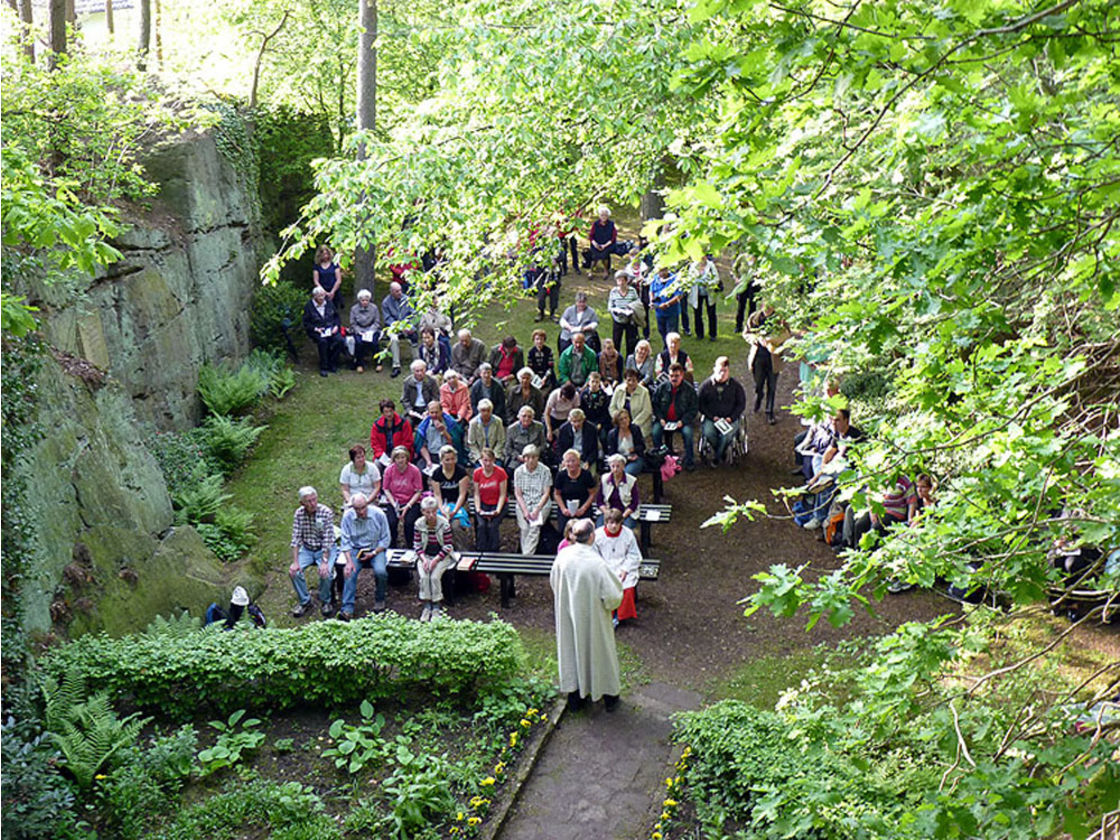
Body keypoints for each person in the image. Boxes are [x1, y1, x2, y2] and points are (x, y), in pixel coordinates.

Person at [551, 518, 623, 711]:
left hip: (568, 613)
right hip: (594, 618)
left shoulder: (563, 557)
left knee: (571, 651)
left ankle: (575, 698)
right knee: (600, 653)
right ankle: (609, 696)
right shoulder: (597, 564)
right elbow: (613, 597)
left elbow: (554, 582)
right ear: (592, 536)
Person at [339, 492, 392, 619]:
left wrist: (374, 553)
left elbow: (386, 539)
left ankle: (380, 599)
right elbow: (345, 541)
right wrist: (348, 561)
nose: (361, 512)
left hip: (375, 548)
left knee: (380, 571)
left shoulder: (378, 514)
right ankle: (347, 609)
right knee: (349, 572)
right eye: (357, 509)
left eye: (363, 507)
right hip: (356, 549)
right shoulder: (347, 517)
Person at [288, 486, 336, 618]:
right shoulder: (299, 514)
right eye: (308, 501)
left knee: (325, 573)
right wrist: (295, 562)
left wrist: (325, 561)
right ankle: (305, 601)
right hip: (308, 549)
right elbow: (296, 538)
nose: (312, 503)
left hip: (325, 549)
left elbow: (328, 539)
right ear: (302, 503)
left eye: (314, 500)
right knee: (294, 572)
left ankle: (326, 600)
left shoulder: (325, 512)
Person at [746, 303, 791, 425]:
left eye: (770, 306)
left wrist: (772, 339)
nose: (767, 308)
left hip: (774, 358)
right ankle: (759, 396)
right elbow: (746, 333)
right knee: (758, 384)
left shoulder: (780, 319)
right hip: (758, 357)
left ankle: (769, 411)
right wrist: (756, 339)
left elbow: (787, 335)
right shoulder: (754, 318)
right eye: (765, 306)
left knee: (772, 385)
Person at [595, 509, 643, 624]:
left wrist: (625, 569)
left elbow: (634, 554)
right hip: (604, 567)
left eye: (617, 523)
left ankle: (621, 616)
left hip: (623, 566)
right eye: (611, 523)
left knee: (627, 585)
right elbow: (594, 555)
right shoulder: (597, 535)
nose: (614, 526)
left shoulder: (628, 534)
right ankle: (607, 613)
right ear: (606, 522)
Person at [697, 356, 747, 466]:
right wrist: (711, 416)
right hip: (712, 418)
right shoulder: (706, 386)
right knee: (708, 433)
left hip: (729, 419)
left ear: (728, 371)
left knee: (727, 435)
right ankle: (720, 451)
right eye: (720, 371)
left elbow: (741, 404)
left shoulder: (736, 386)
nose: (722, 374)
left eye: (725, 371)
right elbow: (700, 404)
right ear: (714, 369)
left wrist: (731, 417)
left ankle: (718, 456)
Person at [413, 495, 456, 622]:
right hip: (424, 555)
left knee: (434, 577)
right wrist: (424, 559)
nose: (430, 515)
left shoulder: (444, 524)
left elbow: (448, 546)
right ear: (423, 512)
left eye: (433, 511)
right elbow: (416, 544)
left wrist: (436, 560)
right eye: (427, 512)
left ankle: (436, 606)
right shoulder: (418, 524)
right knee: (424, 576)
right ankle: (427, 606)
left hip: (442, 556)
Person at [652, 363, 699, 470]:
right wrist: (660, 418)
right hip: (664, 420)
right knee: (655, 432)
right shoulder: (661, 388)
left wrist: (683, 421)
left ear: (682, 375)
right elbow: (655, 405)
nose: (674, 378)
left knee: (688, 433)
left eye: (676, 376)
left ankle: (689, 461)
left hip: (682, 421)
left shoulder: (689, 390)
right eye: (671, 376)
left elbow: (693, 409)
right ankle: (660, 458)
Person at [428, 444, 473, 550]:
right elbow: (437, 495)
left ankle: (463, 550)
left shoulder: (461, 472)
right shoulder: (437, 474)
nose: (450, 462)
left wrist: (455, 510)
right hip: (443, 503)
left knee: (456, 526)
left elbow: (462, 494)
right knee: (439, 524)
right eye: (447, 460)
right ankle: (440, 549)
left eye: (452, 459)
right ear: (442, 460)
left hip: (459, 503)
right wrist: (442, 509)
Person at [381, 445, 424, 548]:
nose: (400, 460)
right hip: (394, 500)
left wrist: (408, 505)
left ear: (407, 458)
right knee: (391, 522)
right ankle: (392, 545)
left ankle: (411, 545)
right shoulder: (389, 470)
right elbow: (386, 489)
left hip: (411, 501)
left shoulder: (414, 470)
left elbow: (418, 490)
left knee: (409, 523)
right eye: (397, 458)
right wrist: (393, 503)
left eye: (402, 457)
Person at [513, 445, 552, 555]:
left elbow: (546, 493)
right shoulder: (518, 472)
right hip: (524, 502)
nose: (531, 460)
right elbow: (518, 494)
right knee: (524, 528)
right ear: (524, 458)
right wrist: (525, 511)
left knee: (534, 528)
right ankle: (527, 556)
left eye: (534, 457)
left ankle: (526, 558)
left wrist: (537, 509)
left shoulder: (545, 471)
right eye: (528, 457)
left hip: (541, 503)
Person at [554, 448, 597, 536]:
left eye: (573, 461)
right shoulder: (561, 475)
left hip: (583, 507)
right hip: (566, 508)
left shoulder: (586, 475)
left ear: (578, 461)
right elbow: (556, 494)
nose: (571, 464)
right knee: (564, 530)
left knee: (585, 530)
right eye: (568, 461)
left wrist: (583, 508)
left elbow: (592, 493)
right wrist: (563, 509)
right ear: (564, 463)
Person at [302, 287, 344, 377]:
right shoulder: (309, 306)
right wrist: (315, 329)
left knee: (340, 340)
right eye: (319, 296)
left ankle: (332, 363)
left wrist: (336, 326)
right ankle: (323, 366)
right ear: (314, 296)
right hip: (317, 330)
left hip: (330, 328)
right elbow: (306, 323)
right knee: (323, 342)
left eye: (323, 295)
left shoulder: (329, 303)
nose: (321, 298)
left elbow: (336, 317)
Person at [473, 447, 508, 553]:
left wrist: (497, 509)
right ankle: (481, 549)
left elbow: (503, 494)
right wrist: (478, 508)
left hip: (498, 503)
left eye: (490, 460)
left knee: (493, 526)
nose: (487, 463)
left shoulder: (501, 473)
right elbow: (476, 494)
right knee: (482, 525)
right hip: (483, 503)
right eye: (485, 460)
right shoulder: (477, 473)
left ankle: (494, 550)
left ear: (494, 460)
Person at [381, 281, 418, 377]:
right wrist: (398, 327)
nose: (400, 293)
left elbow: (414, 315)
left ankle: (417, 362)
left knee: (413, 337)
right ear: (391, 292)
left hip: (407, 326)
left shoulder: (407, 300)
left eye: (400, 290)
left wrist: (409, 326)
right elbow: (387, 318)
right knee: (394, 339)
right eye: (397, 291)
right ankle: (396, 366)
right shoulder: (386, 302)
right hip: (393, 328)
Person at [414, 400, 464, 469]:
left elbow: (454, 442)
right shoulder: (424, 426)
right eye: (432, 413)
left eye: (436, 412)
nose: (434, 415)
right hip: (431, 455)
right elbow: (422, 446)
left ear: (441, 411)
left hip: (446, 454)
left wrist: (444, 431)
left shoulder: (450, 423)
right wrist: (428, 461)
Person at [596, 453, 640, 528]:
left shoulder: (631, 481)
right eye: (613, 466)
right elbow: (599, 501)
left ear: (623, 467)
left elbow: (634, 503)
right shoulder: (604, 479)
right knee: (600, 528)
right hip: (608, 511)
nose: (615, 469)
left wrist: (623, 516)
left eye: (618, 466)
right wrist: (607, 513)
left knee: (626, 530)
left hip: (626, 512)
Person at [609, 367, 654, 440]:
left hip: (639, 424)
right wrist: (619, 420)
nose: (631, 383)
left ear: (637, 381)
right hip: (620, 423)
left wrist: (632, 425)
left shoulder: (644, 392)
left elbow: (647, 410)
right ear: (624, 380)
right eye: (629, 380)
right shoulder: (618, 389)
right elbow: (612, 407)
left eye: (634, 380)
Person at [685, 254, 720, 341]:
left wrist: (709, 283)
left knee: (711, 313)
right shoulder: (693, 266)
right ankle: (699, 334)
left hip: (709, 292)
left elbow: (717, 279)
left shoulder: (711, 265)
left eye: (704, 256)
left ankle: (713, 334)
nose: (702, 258)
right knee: (697, 313)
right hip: (697, 293)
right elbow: (689, 279)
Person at [367, 398, 410, 468]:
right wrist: (382, 456)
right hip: (384, 455)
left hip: (400, 454)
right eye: (386, 412)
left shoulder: (403, 423)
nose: (389, 414)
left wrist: (398, 456)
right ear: (382, 413)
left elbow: (408, 442)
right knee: (377, 465)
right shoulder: (377, 425)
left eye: (391, 411)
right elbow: (375, 444)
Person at [608, 270, 641, 359]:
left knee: (631, 342)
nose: (621, 283)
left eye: (623, 280)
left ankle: (629, 361)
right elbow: (610, 307)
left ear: (626, 281)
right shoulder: (613, 292)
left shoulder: (632, 291)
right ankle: (616, 360)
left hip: (630, 320)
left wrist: (631, 309)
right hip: (618, 320)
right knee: (616, 341)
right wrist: (616, 310)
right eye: (619, 280)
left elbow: (638, 303)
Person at [349, 289, 383, 373]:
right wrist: (359, 331)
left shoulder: (374, 308)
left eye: (366, 300)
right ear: (359, 300)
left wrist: (371, 331)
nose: (365, 302)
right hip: (359, 330)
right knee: (359, 342)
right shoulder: (354, 309)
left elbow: (377, 321)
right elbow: (353, 323)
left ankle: (378, 363)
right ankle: (359, 364)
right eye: (363, 300)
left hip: (372, 329)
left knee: (374, 342)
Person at [605, 408, 646, 477]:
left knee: (626, 473)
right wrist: (625, 458)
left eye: (626, 418)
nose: (624, 421)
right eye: (621, 419)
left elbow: (642, 446)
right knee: (616, 471)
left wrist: (634, 449)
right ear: (617, 422)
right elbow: (611, 452)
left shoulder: (635, 429)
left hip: (635, 459)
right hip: (619, 460)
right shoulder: (612, 434)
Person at [467, 398, 507, 467]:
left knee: (497, 470)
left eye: (488, 410)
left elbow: (501, 441)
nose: (486, 413)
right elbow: (472, 443)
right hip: (479, 455)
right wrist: (480, 458)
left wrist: (494, 456)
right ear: (479, 411)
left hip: (495, 454)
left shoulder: (498, 422)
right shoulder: (473, 423)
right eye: (483, 410)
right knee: (480, 471)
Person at [650, 265, 683, 346]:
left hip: (671, 312)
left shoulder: (674, 279)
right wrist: (651, 300)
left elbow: (679, 296)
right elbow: (651, 291)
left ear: (667, 270)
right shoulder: (655, 279)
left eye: (663, 271)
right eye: (659, 271)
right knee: (661, 330)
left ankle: (671, 350)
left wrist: (668, 304)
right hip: (659, 311)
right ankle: (666, 346)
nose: (661, 273)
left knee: (671, 332)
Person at [622, 249, 651, 339]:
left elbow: (649, 281)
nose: (635, 258)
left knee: (645, 314)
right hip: (633, 296)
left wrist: (643, 280)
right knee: (633, 315)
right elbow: (625, 283)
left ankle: (646, 334)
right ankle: (635, 334)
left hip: (644, 296)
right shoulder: (627, 269)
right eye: (633, 256)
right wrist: (632, 281)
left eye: (637, 256)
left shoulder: (645, 268)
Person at [339, 444, 381, 509]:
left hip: (369, 499)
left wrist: (367, 501)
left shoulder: (372, 468)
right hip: (352, 499)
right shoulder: (346, 469)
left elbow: (377, 487)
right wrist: (350, 502)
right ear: (353, 459)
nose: (361, 459)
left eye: (363, 456)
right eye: (358, 457)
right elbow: (345, 490)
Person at [400, 360, 440, 426]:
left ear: (425, 370)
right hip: (413, 408)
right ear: (413, 372)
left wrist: (429, 410)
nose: (420, 373)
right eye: (417, 371)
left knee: (431, 424)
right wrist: (410, 411)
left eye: (422, 370)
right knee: (407, 424)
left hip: (428, 408)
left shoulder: (431, 381)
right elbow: (405, 399)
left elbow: (435, 397)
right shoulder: (407, 382)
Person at [579, 371, 613, 447]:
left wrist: (600, 423)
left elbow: (605, 412)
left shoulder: (604, 396)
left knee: (603, 437)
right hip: (587, 421)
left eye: (597, 382)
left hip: (600, 422)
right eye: (592, 381)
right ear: (588, 382)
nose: (594, 384)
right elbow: (581, 409)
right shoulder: (583, 395)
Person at [585, 206, 618, 280]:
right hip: (596, 243)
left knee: (604, 255)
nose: (604, 217)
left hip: (607, 244)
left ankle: (606, 270)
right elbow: (591, 236)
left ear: (608, 216)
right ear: (599, 216)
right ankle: (591, 271)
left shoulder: (611, 224)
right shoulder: (595, 224)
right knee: (594, 255)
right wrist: (595, 244)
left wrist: (605, 245)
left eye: (605, 215)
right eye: (602, 215)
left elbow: (613, 238)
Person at [731, 251, 759, 334]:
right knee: (741, 305)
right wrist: (736, 278)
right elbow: (734, 268)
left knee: (752, 306)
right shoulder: (742, 257)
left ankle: (751, 326)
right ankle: (738, 326)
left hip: (753, 284)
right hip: (743, 283)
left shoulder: (759, 258)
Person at [313, 244, 343, 312]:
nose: (325, 256)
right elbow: (316, 281)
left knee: (334, 311)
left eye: (327, 254)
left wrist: (332, 292)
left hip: (334, 291)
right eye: (323, 254)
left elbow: (338, 280)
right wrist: (324, 292)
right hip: (321, 292)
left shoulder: (334, 264)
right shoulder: (317, 266)